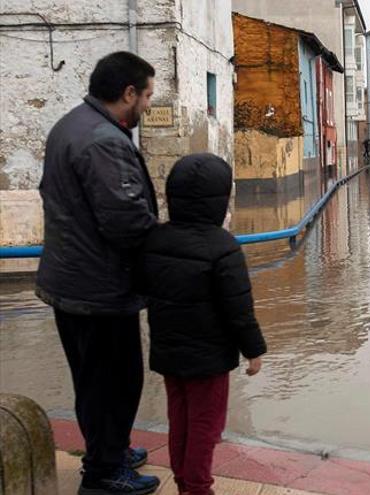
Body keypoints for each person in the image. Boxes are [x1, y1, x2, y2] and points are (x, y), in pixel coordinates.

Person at [36, 51, 160, 494]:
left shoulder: (70, 124)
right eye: (146, 95)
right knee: (115, 382)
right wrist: (168, 247)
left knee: (94, 379)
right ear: (128, 93)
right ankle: (105, 473)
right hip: (99, 287)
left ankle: (110, 449)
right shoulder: (104, 141)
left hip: (73, 279)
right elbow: (126, 221)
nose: (147, 104)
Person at [137, 154, 267, 495]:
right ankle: (197, 487)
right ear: (221, 200)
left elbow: (145, 288)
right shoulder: (224, 249)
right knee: (206, 427)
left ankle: (182, 479)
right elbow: (239, 309)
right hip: (209, 362)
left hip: (168, 353)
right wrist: (254, 351)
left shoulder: (156, 239)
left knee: (179, 421)